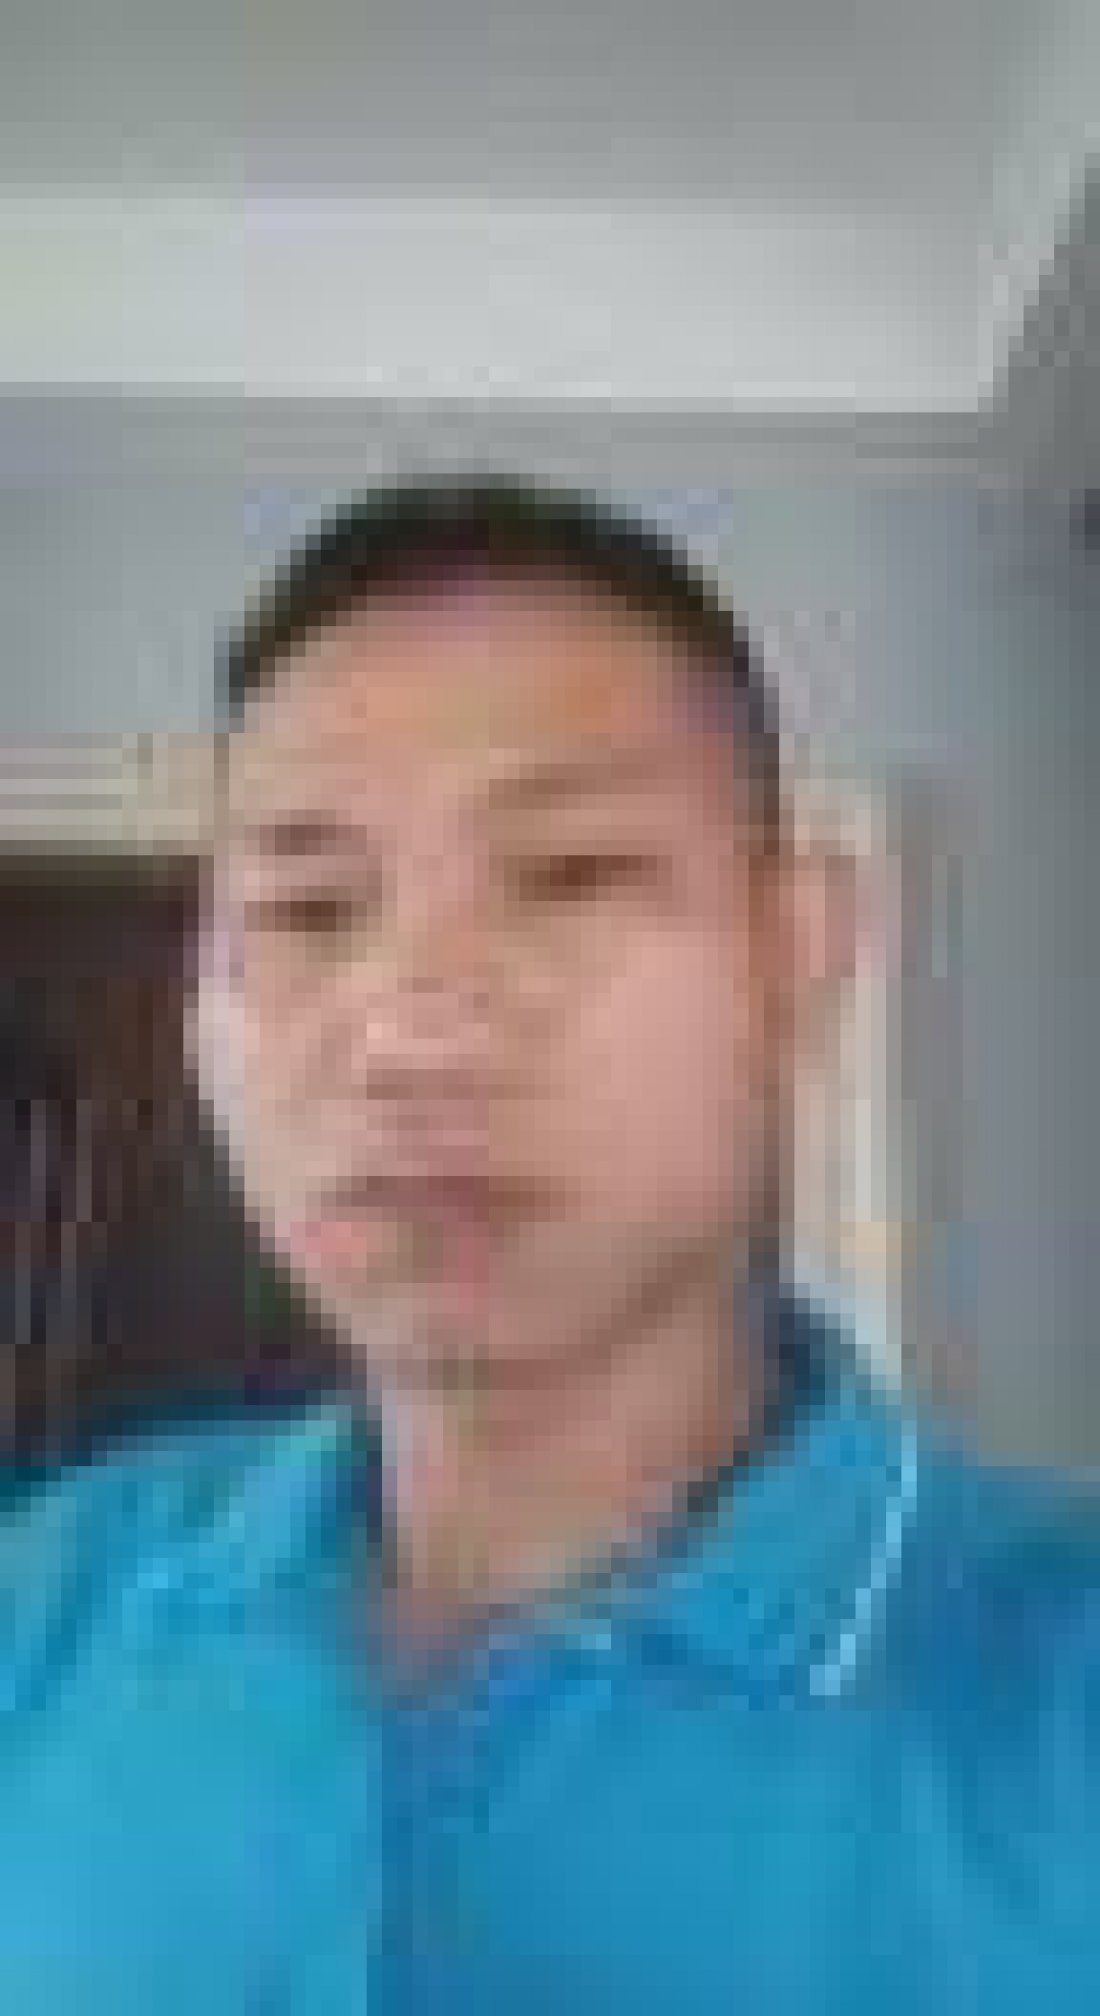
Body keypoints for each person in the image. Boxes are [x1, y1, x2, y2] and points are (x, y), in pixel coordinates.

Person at [2, 477, 1097, 2012]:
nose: (409, 1033)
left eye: (570, 875)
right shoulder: (52, 1585)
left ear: (801, 956)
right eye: (309, 908)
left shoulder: (1059, 1707)